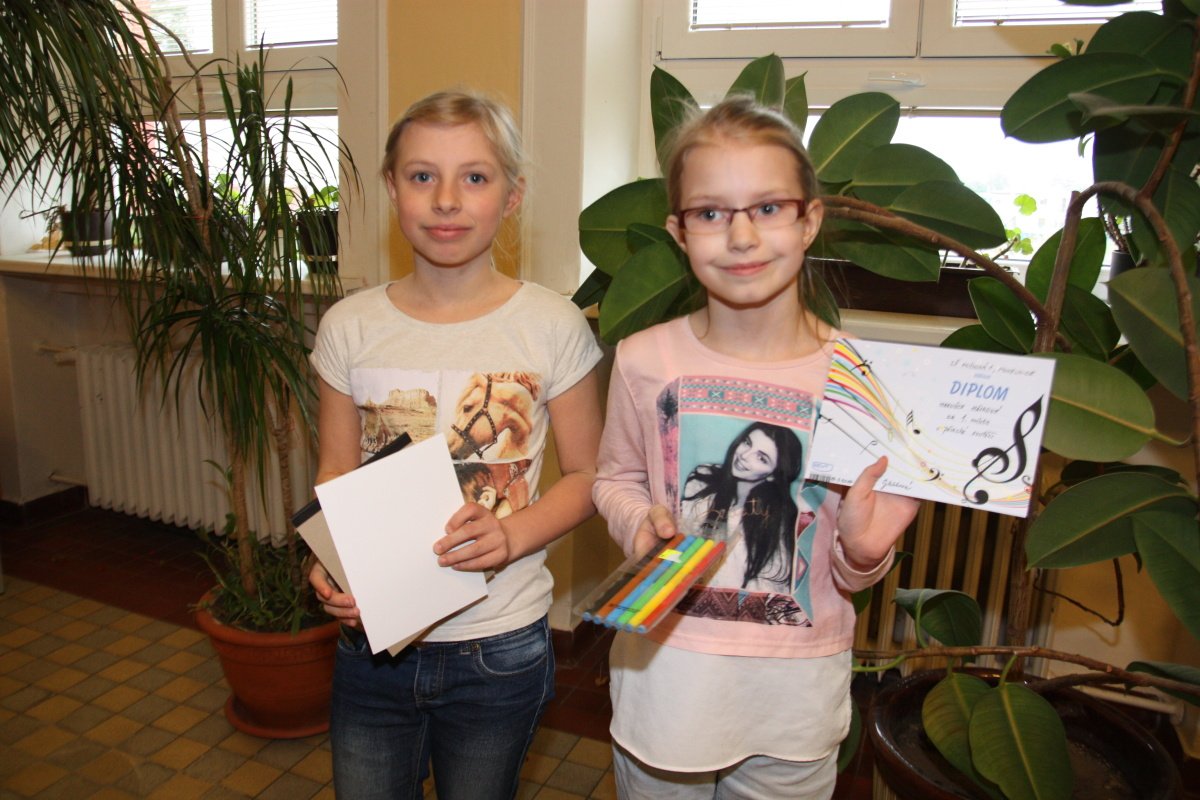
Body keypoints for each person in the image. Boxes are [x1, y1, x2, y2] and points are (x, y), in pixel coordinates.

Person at [592, 95, 920, 799]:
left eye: (768, 207)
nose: (741, 236)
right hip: (665, 693)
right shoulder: (643, 358)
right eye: (711, 213)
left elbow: (847, 565)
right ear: (679, 232)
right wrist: (637, 522)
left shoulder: (857, 378)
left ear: (810, 220)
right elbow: (614, 477)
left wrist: (865, 552)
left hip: (794, 706)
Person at [307, 89, 603, 800]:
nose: (446, 199)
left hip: (499, 645)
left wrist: (510, 536)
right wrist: (331, 561)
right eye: (422, 176)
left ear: (512, 195)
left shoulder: (552, 324)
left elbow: (590, 474)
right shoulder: (349, 326)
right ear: (392, 188)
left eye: (474, 176)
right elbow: (338, 468)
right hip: (374, 644)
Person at [680, 420, 803, 595]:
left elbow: (769, 588)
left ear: (773, 475)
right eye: (747, 442)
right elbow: (682, 545)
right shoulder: (702, 480)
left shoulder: (778, 521)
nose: (744, 455)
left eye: (761, 458)